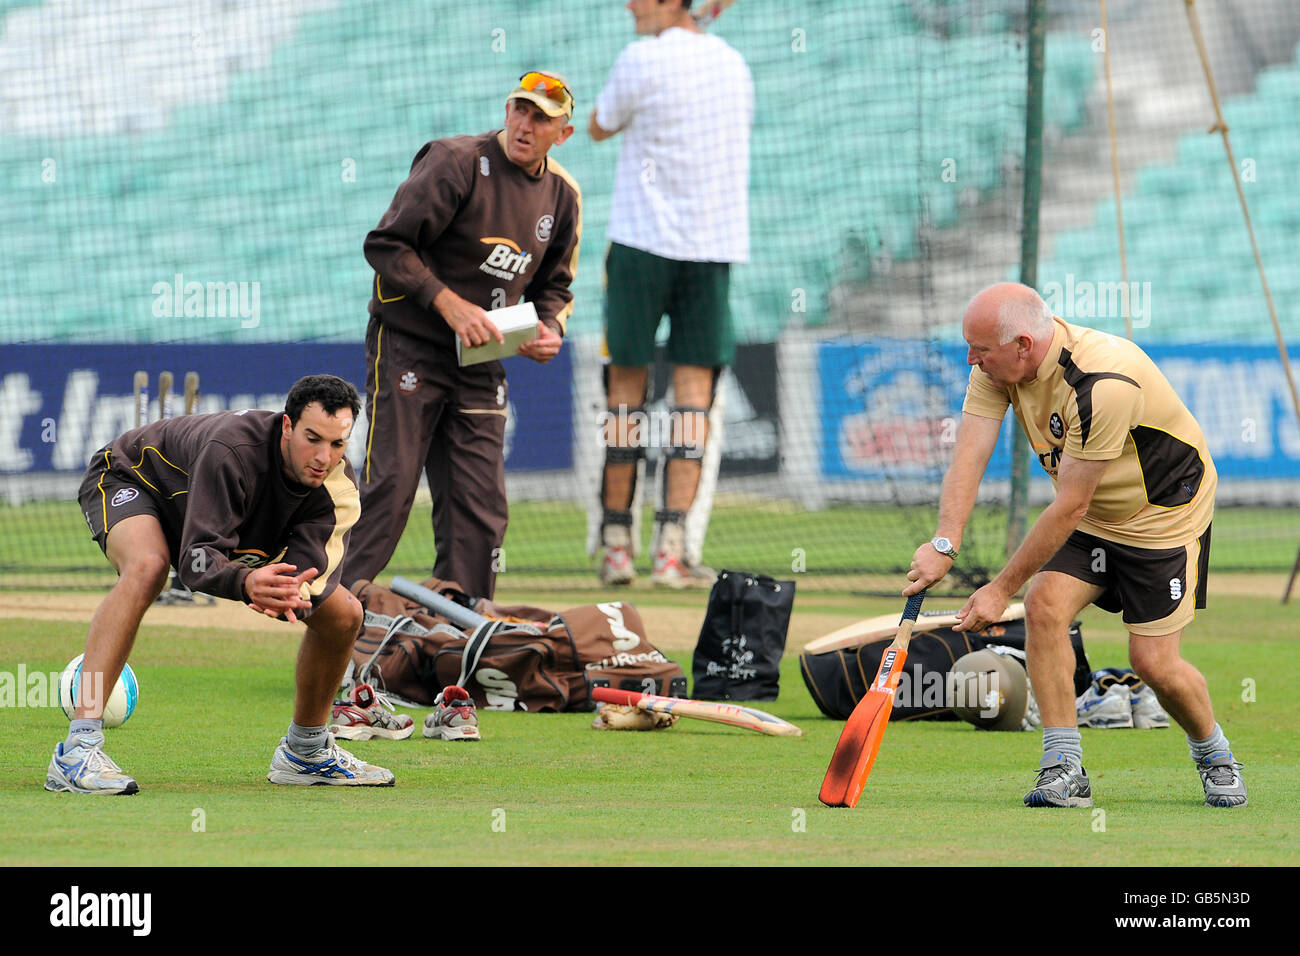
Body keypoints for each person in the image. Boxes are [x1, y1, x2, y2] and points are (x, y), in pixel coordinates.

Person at [905, 282, 1247, 809]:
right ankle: (1064, 768)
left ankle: (1215, 755)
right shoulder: (997, 370)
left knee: (1154, 662)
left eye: (980, 349)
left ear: (1022, 343)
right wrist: (944, 543)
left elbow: (1069, 508)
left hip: (1162, 519)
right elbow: (968, 459)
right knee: (1044, 607)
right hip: (1091, 515)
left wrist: (998, 590)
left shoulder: (1102, 381)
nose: (970, 359)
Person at [48, 374, 392, 794]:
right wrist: (247, 582)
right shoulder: (233, 451)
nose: (324, 456)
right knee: (149, 566)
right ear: (287, 426)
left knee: (344, 614)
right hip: (134, 479)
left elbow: (309, 576)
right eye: (312, 438)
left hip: (212, 520)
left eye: (338, 444)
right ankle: (78, 749)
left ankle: (307, 751)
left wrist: (287, 592)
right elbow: (196, 562)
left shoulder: (338, 489)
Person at [341, 72, 581, 601]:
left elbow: (556, 287)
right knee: (391, 487)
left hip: (481, 357)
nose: (525, 124)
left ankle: (462, 639)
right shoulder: (456, 161)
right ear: (506, 109)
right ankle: (332, 616)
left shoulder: (562, 197)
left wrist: (550, 328)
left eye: (541, 117)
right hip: (409, 340)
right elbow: (385, 246)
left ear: (562, 133)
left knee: (481, 507)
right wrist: (448, 304)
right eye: (520, 109)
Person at [588, 0, 753, 588]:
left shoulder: (640, 56)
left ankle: (615, 544)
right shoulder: (732, 63)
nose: (629, 5)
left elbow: (599, 124)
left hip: (640, 244)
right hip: (711, 246)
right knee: (693, 403)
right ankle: (671, 550)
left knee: (625, 396)